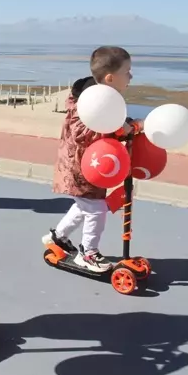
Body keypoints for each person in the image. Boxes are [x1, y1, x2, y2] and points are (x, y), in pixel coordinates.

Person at [42, 46, 143, 273]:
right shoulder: (86, 102)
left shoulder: (106, 99)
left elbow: (110, 118)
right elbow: (81, 132)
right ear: (110, 78)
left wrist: (126, 125)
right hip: (80, 168)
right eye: (127, 71)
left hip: (92, 169)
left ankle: (57, 237)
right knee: (96, 209)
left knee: (83, 206)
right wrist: (118, 129)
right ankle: (88, 253)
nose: (131, 76)